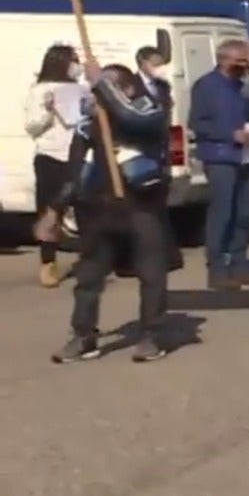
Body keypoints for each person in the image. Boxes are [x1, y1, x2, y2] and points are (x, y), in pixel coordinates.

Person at [54, 64, 175, 364]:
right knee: (89, 276)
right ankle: (83, 336)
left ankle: (151, 334)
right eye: (97, 88)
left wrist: (102, 84)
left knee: (151, 273)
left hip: (141, 206)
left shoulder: (149, 108)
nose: (98, 93)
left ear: (128, 88)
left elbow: (134, 119)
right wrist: (56, 208)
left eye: (108, 86)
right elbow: (76, 165)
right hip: (101, 208)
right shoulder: (93, 119)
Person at [189, 38, 249, 289]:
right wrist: (229, 135)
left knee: (244, 214)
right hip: (219, 157)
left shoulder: (240, 88)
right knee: (222, 214)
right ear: (224, 59)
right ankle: (217, 269)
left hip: (244, 157)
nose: (244, 65)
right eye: (240, 60)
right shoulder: (206, 86)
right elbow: (197, 123)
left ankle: (240, 266)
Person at [25, 43, 85, 288]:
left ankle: (92, 256)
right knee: (50, 208)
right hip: (50, 155)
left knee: (85, 206)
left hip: (78, 154)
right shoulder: (40, 91)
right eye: (73, 60)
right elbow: (32, 126)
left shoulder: (80, 89)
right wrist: (48, 111)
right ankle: (48, 262)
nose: (77, 65)